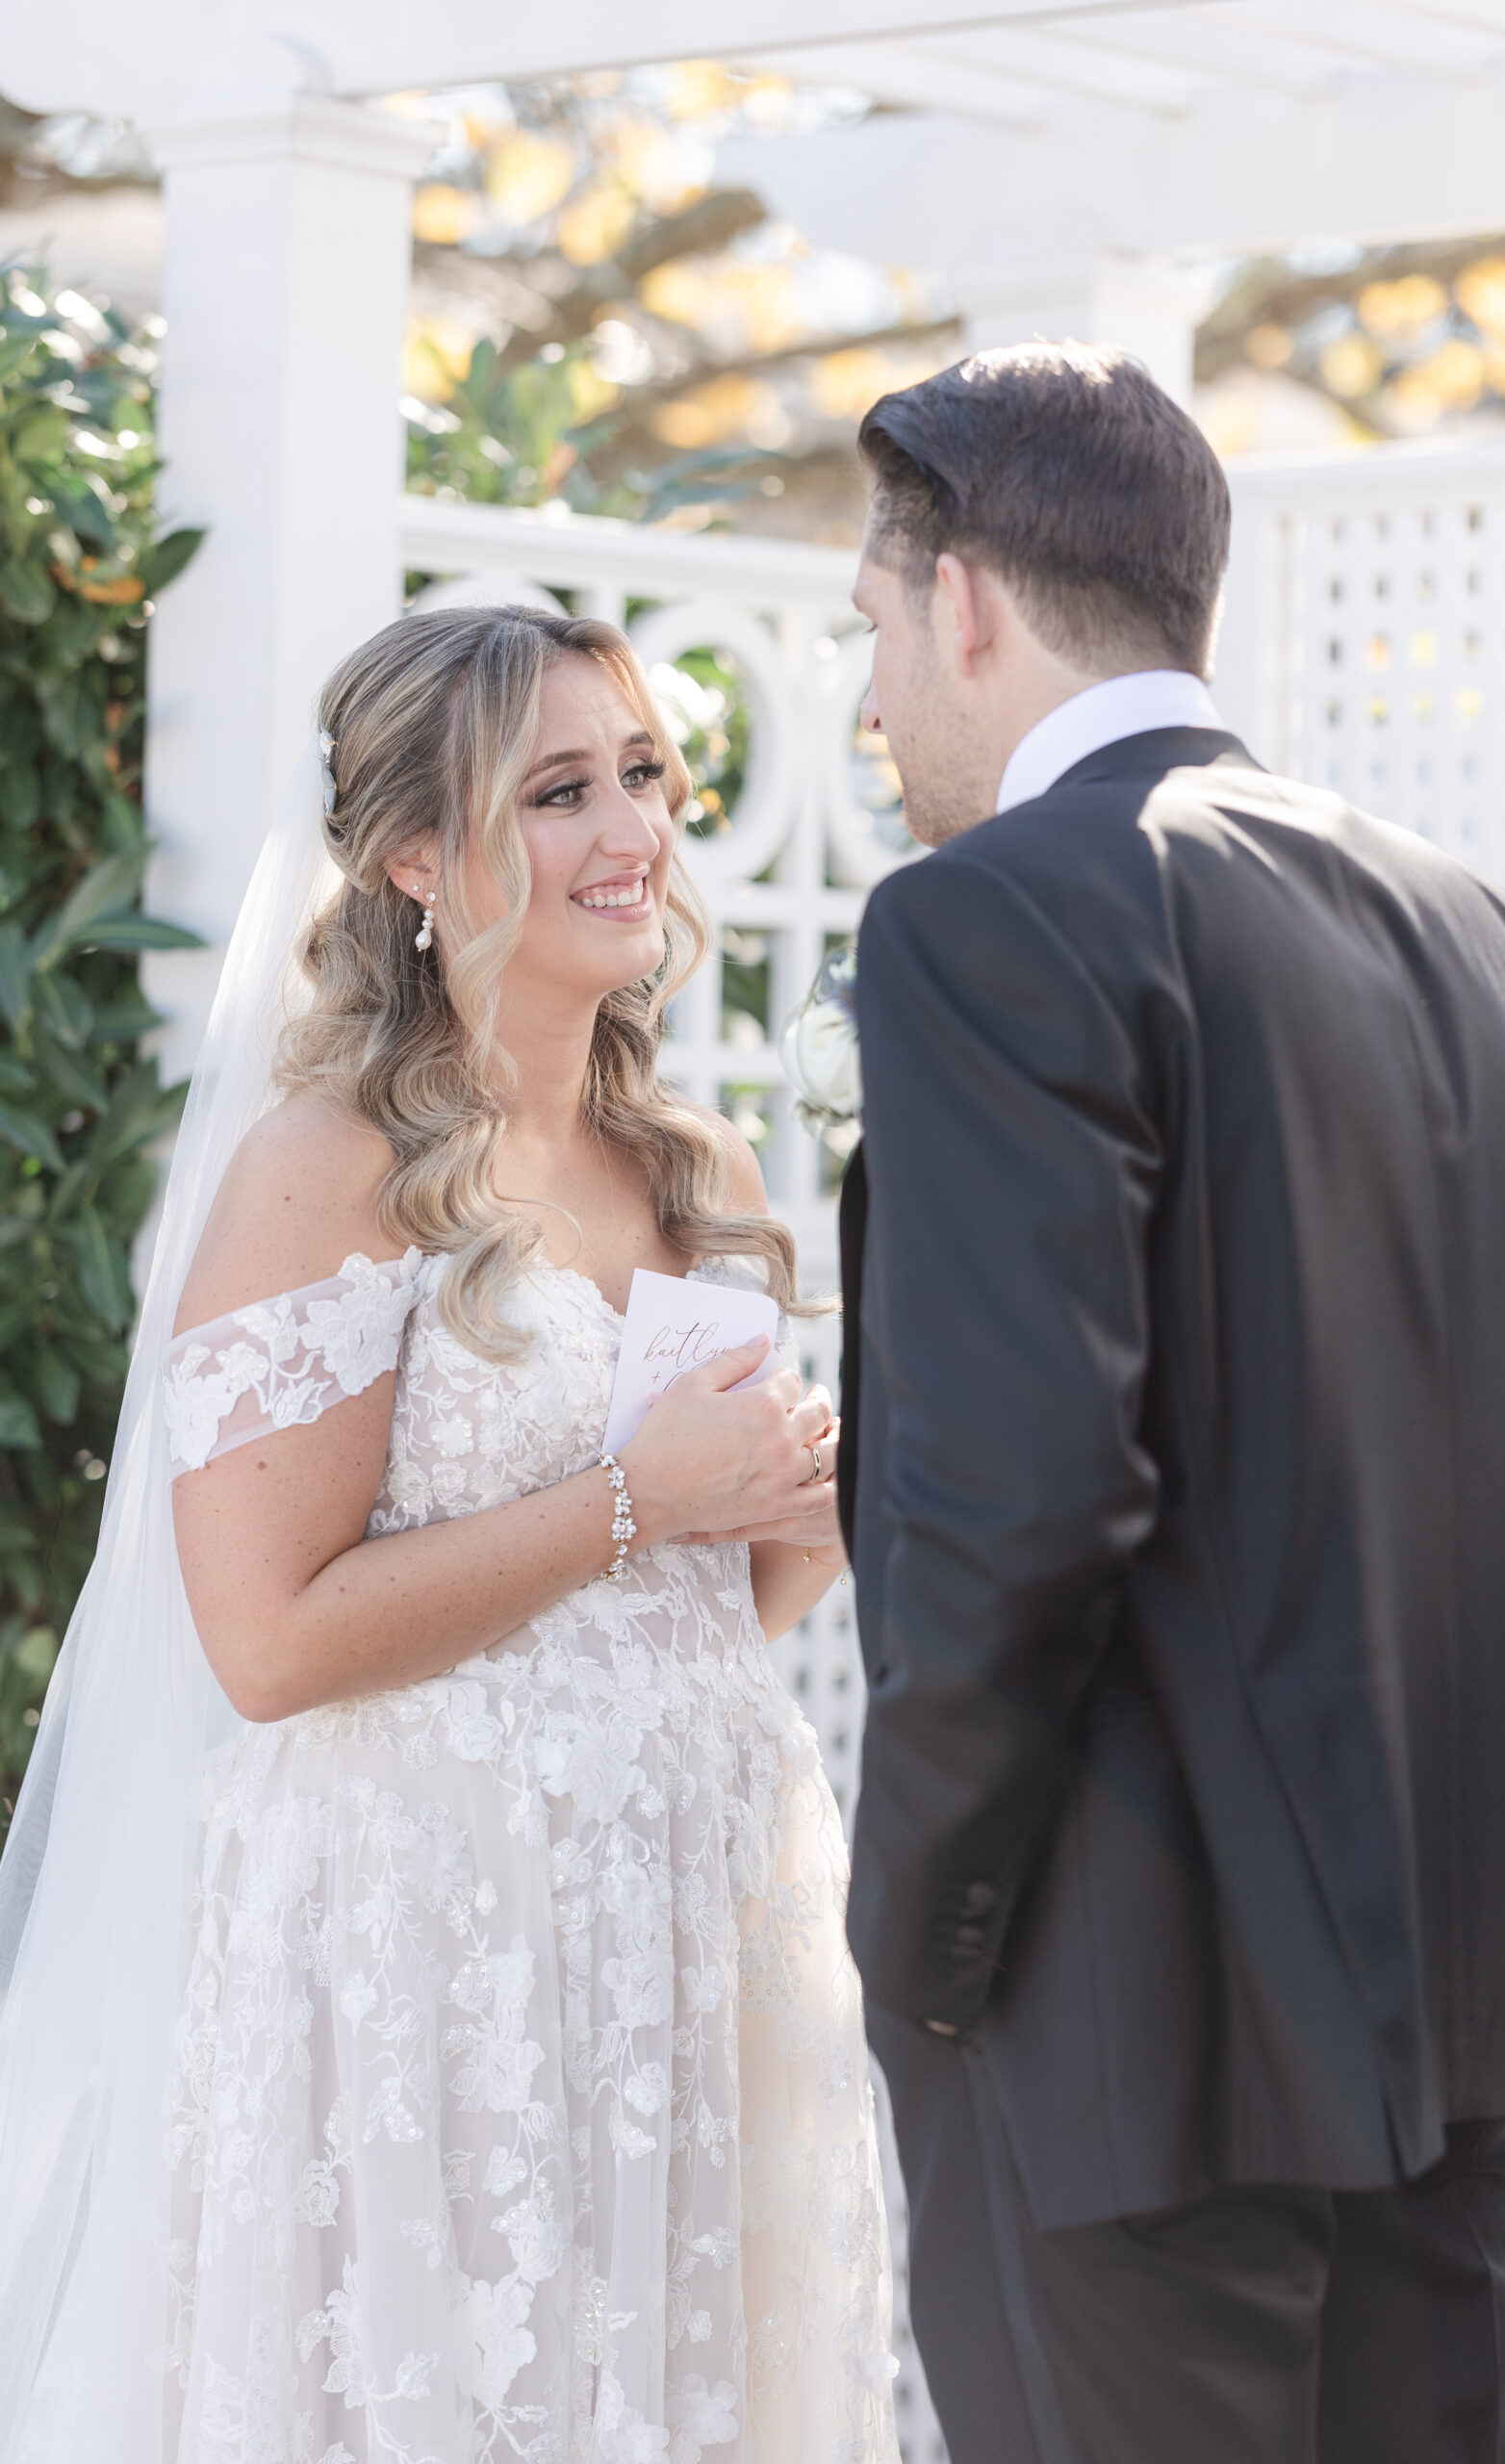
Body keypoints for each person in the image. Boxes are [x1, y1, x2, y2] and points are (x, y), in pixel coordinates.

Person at [836, 342, 1505, 2464]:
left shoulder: (983, 920)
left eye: (870, 626)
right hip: (1449, 2031)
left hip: (1124, 2041)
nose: (870, 701)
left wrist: (915, 1943)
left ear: (967, 600)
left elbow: (1013, 1503)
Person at [0, 605, 897, 2462]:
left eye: (641, 773)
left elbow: (721, 1603)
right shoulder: (329, 1171)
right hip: (427, 1955)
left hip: (688, 1929)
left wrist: (809, 1492)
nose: (629, 828)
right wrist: (637, 1493)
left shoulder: (698, 1172)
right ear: (415, 855)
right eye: (557, 791)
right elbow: (265, 1638)